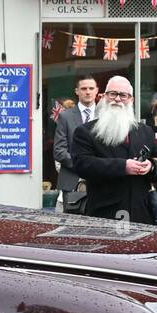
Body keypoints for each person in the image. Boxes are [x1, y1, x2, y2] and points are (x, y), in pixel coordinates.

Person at [71, 75, 157, 224]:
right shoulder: (85, 131)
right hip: (104, 214)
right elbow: (82, 164)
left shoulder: (146, 131)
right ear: (104, 97)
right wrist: (123, 166)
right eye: (113, 94)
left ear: (131, 100)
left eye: (123, 95)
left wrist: (151, 166)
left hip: (141, 214)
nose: (117, 99)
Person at [53, 74, 100, 214]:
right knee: (71, 227)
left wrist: (98, 166)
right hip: (72, 180)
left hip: (101, 179)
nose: (88, 92)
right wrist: (83, 165)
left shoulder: (106, 115)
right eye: (84, 88)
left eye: (91, 88)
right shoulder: (65, 117)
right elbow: (59, 151)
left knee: (100, 226)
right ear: (76, 91)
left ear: (97, 90)